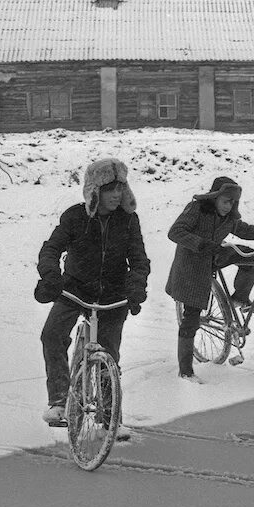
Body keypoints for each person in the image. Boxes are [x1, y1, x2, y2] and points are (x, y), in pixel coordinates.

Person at [35, 157, 150, 439]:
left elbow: (138, 259)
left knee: (108, 355)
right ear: (94, 191)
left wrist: (136, 286)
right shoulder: (75, 217)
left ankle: (111, 418)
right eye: (110, 189)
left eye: (120, 188)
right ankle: (59, 401)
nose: (116, 195)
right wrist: (51, 277)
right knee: (52, 334)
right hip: (74, 289)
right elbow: (51, 249)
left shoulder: (128, 220)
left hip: (113, 295)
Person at [165, 176, 254, 383]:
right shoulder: (196, 210)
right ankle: (185, 370)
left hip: (214, 255)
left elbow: (244, 230)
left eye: (233, 202)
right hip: (191, 265)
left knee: (249, 257)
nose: (229, 206)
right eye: (226, 201)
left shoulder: (228, 218)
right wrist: (201, 244)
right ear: (214, 198)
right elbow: (175, 232)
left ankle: (239, 298)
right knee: (192, 315)